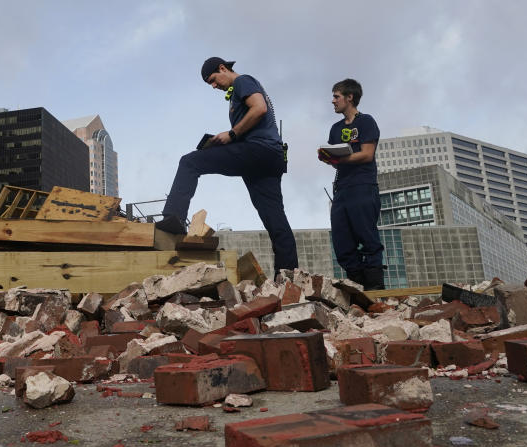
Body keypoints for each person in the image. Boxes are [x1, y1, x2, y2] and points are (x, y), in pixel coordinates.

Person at [157, 57, 299, 272]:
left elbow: (259, 108)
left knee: (190, 162)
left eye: (213, 80)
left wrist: (232, 134)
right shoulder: (237, 95)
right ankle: (288, 275)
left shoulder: (243, 81)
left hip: (259, 151)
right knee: (274, 219)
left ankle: (173, 219)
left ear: (223, 68)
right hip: (269, 159)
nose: (214, 86)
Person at [319, 78, 384, 289]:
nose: (333, 101)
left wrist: (339, 159)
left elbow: (366, 154)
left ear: (350, 97)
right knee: (342, 243)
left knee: (368, 237)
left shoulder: (366, 122)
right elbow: (337, 163)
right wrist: (329, 158)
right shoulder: (335, 128)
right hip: (342, 190)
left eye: (336, 96)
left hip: (363, 187)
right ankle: (358, 288)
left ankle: (375, 290)